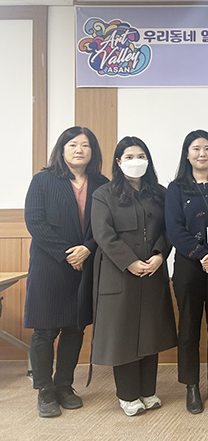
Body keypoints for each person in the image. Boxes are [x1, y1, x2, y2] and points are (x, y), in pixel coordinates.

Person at [24, 127, 108, 418]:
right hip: (50, 265)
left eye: (85, 145)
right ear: (62, 149)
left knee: (75, 327)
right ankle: (44, 389)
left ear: (93, 151)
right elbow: (35, 222)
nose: (79, 150)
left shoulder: (102, 184)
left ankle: (64, 385)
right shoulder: (44, 180)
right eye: (72, 144)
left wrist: (87, 248)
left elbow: (107, 225)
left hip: (86, 264)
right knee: (45, 330)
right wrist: (67, 253)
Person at [91, 136, 177, 417]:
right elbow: (103, 233)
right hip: (120, 275)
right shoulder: (104, 194)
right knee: (124, 335)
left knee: (151, 332)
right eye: (129, 157)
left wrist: (160, 255)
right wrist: (129, 262)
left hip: (153, 271)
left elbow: (169, 229)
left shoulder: (160, 193)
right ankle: (128, 396)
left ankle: (148, 391)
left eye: (141, 156)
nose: (135, 161)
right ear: (118, 162)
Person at [165, 130, 208, 414]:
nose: (202, 154)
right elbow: (174, 230)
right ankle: (191, 385)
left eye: (207, 148)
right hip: (189, 266)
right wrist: (204, 255)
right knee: (189, 327)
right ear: (187, 154)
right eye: (196, 148)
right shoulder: (176, 188)